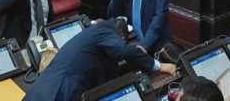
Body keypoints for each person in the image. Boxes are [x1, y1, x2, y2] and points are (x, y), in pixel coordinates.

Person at [24, 18, 176, 101]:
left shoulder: (93, 35)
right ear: (121, 35)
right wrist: (159, 66)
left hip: (43, 87)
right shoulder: (105, 30)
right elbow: (124, 50)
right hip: (61, 89)